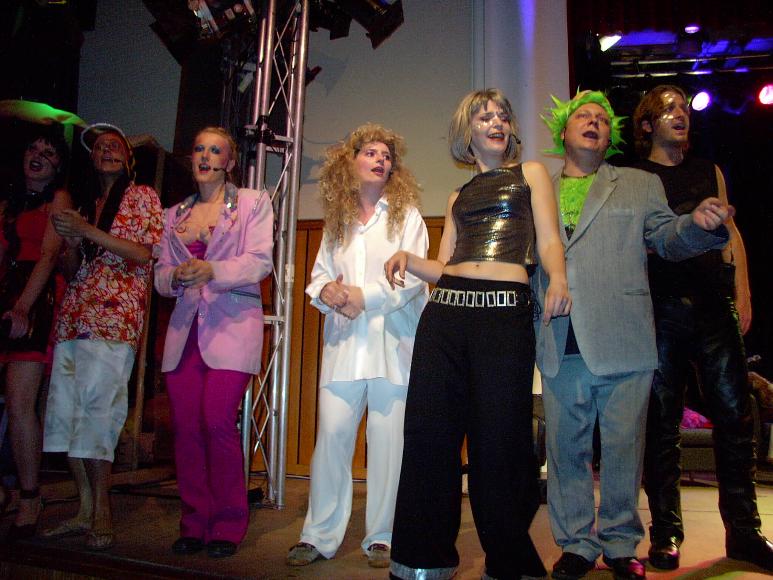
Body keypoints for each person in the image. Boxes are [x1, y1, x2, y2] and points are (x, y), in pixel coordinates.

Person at [536, 90, 733, 580]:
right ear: (563, 132)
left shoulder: (639, 184)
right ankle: (576, 544)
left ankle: (621, 544)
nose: (593, 123)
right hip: (561, 339)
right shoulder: (539, 190)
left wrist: (698, 225)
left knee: (625, 449)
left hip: (624, 337)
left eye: (602, 119)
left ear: (612, 136)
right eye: (583, 116)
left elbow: (667, 238)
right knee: (566, 452)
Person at [384, 88, 571, 580]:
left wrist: (559, 278)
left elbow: (549, 240)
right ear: (467, 132)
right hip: (445, 315)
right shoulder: (457, 196)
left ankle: (508, 562)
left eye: (502, 115)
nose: (496, 122)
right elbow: (445, 264)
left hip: (503, 317)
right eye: (485, 117)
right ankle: (421, 560)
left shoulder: (530, 174)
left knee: (500, 442)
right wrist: (410, 260)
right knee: (429, 436)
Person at [633, 85, 773, 571]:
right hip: (662, 308)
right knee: (661, 421)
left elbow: (732, 233)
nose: (680, 114)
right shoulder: (636, 177)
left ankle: (744, 532)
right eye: (667, 109)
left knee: (736, 415)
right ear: (647, 124)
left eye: (683, 108)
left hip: (714, 304)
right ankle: (666, 533)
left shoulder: (708, 170)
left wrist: (743, 292)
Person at [286, 123, 428, 569]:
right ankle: (318, 536)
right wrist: (327, 292)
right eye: (370, 152)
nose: (380, 159)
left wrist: (359, 297)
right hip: (345, 347)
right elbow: (318, 278)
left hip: (393, 349)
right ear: (350, 162)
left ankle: (383, 537)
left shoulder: (408, 217)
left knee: (388, 445)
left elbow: (412, 280)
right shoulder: (337, 221)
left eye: (386, 155)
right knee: (331, 436)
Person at [42, 123, 163, 550]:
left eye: (114, 145)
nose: (106, 150)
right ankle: (84, 509)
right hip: (74, 319)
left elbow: (144, 252)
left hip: (113, 321)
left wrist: (88, 232)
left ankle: (103, 512)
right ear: (91, 160)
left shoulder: (142, 196)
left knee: (99, 418)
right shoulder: (87, 206)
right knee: (66, 419)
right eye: (98, 148)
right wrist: (72, 243)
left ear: (128, 159)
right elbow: (74, 270)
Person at [155, 126, 273, 559]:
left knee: (217, 419)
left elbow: (260, 261)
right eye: (199, 149)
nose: (205, 156)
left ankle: (228, 521)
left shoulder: (252, 203)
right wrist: (174, 276)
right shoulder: (173, 215)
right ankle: (194, 522)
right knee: (186, 427)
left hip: (233, 326)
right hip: (185, 331)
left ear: (230, 161)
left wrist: (213, 271)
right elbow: (159, 276)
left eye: (215, 150)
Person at [0, 128, 72, 540]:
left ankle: (30, 495)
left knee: (20, 400)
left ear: (58, 165)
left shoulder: (57, 199)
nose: (39, 155)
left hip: (37, 297)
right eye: (33, 148)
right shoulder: (8, 203)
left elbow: (48, 255)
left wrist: (24, 307)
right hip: (8, 291)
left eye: (49, 152)